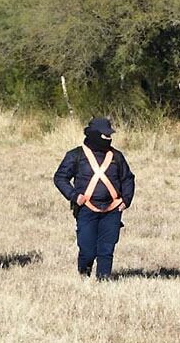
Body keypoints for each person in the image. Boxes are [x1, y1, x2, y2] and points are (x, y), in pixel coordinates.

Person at [54, 117, 135, 279]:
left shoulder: (117, 157)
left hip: (112, 209)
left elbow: (128, 179)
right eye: (105, 135)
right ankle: (84, 273)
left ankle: (103, 280)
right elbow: (60, 178)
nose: (109, 138)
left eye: (109, 135)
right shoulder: (75, 155)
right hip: (86, 209)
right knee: (87, 249)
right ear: (94, 135)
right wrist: (74, 196)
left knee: (107, 249)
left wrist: (126, 200)